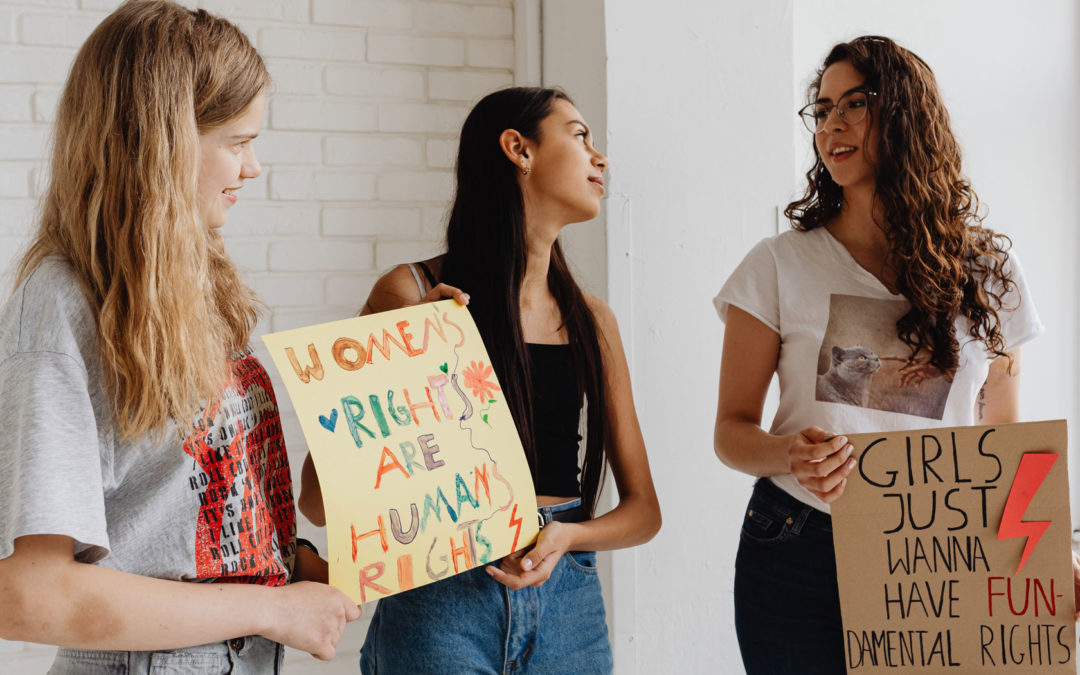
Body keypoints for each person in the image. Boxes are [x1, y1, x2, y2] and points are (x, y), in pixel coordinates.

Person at [0, 2, 360, 672]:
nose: (252, 169)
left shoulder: (194, 284)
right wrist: (272, 609)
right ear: (162, 141)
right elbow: (29, 594)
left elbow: (176, 522)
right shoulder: (60, 306)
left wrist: (292, 567)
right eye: (237, 142)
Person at [299, 86, 661, 674]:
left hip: (569, 604)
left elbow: (644, 511)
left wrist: (566, 539)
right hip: (440, 599)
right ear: (518, 149)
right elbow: (317, 503)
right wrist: (394, 363)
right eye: (578, 135)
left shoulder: (592, 320)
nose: (600, 157)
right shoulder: (409, 294)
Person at [712, 36, 1043, 674]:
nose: (832, 123)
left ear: (907, 117)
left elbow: (1006, 436)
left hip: (941, 552)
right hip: (799, 545)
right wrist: (792, 455)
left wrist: (1043, 549)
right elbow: (730, 432)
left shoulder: (991, 272)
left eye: (855, 104)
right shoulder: (778, 265)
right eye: (822, 108)